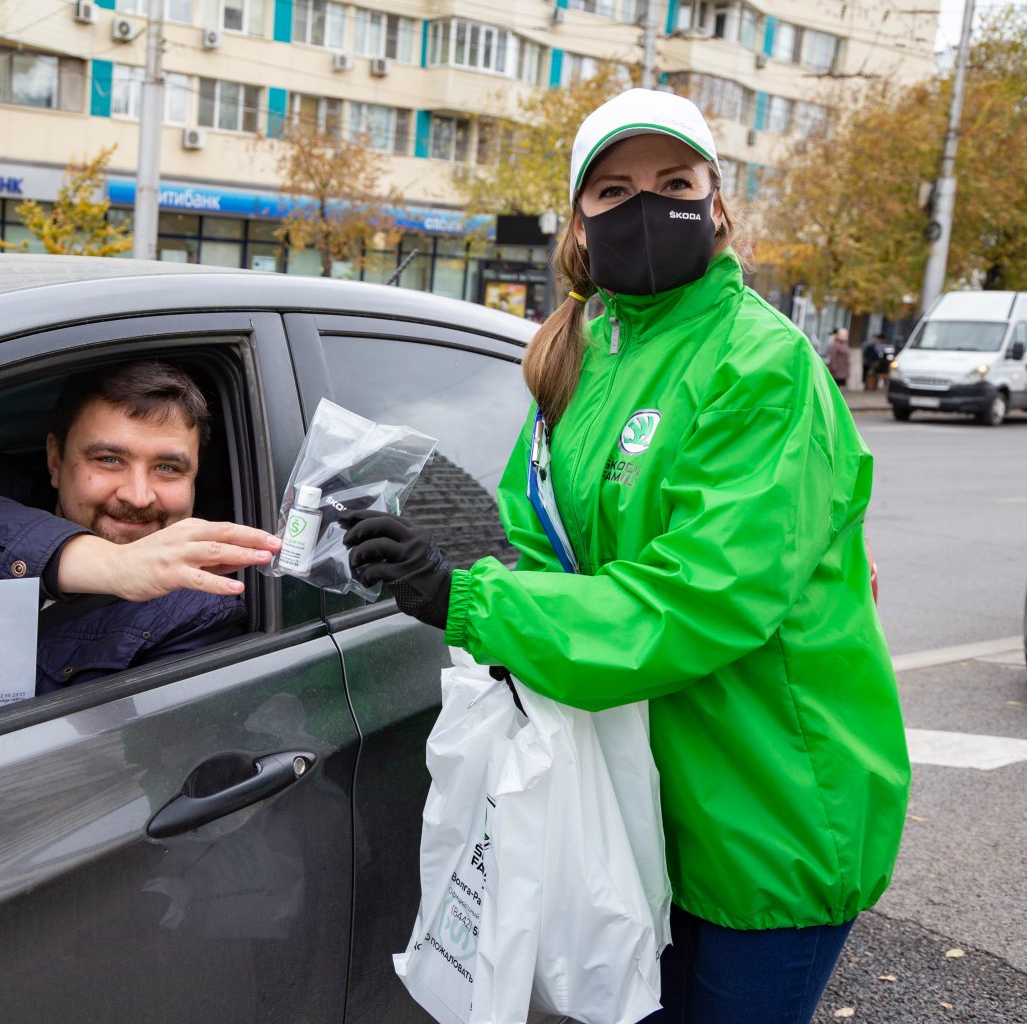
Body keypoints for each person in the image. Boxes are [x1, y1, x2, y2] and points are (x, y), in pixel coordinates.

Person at [340, 88, 908, 1024]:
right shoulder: (585, 354)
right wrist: (430, 557)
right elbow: (538, 543)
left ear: (717, 205)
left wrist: (472, 602)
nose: (646, 206)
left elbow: (703, 597)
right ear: (579, 220)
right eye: (613, 189)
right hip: (634, 795)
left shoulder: (762, 364)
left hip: (762, 808)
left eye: (673, 182)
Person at [0, 361, 281, 749]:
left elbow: (117, 786)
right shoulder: (11, 492)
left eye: (168, 468)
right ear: (55, 460)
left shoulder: (203, 610)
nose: (138, 494)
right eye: (109, 459)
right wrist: (108, 565)